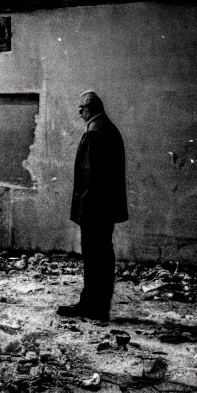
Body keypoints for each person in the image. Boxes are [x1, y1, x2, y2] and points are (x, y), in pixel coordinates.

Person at [57, 90, 128, 322]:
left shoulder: (94, 133)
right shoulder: (109, 129)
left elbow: (90, 177)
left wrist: (82, 210)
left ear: (92, 108)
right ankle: (100, 306)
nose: (79, 112)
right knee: (103, 255)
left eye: (81, 108)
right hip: (105, 208)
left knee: (93, 257)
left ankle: (90, 306)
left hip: (94, 209)